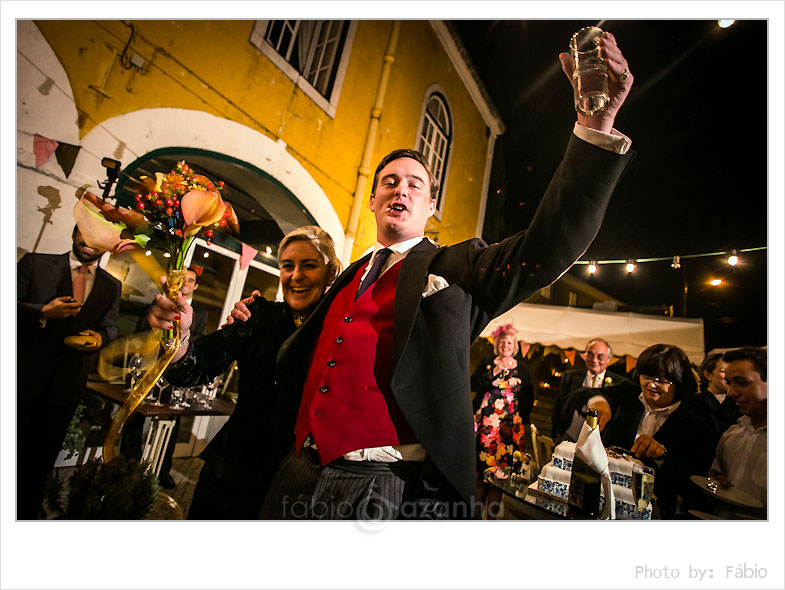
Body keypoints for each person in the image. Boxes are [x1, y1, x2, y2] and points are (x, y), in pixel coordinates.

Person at [231, 35, 634, 519]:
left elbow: (546, 246)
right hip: (294, 469)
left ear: (430, 206)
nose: (401, 188)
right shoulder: (346, 276)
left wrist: (595, 126)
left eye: (415, 183)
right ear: (376, 201)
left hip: (379, 485)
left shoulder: (457, 268)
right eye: (390, 182)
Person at [147, 226, 341, 519]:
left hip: (297, 487)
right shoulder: (258, 315)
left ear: (331, 274)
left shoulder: (341, 332)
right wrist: (180, 335)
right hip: (231, 477)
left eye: (309, 265)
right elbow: (196, 367)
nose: (296, 275)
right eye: (287, 266)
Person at [17, 226, 121, 518]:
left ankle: (25, 511)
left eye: (98, 239)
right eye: (85, 234)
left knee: (40, 460)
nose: (89, 243)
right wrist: (41, 313)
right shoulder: (36, 263)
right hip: (20, 377)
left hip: (65, 387)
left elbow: (110, 327)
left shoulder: (111, 286)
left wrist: (100, 339)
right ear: (74, 233)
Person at [120, 267, 208, 488]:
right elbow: (142, 331)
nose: (186, 283)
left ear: (195, 286)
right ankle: (128, 466)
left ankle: (162, 471)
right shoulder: (160, 304)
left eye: (191, 280)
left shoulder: (201, 312)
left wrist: (181, 342)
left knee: (172, 422)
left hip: (175, 374)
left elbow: (199, 340)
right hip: (150, 367)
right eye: (183, 279)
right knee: (135, 416)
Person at [471, 323, 533, 518]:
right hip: (485, 429)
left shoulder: (522, 368)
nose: (505, 345)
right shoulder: (487, 362)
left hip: (507, 430)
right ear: (496, 343)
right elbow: (473, 384)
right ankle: (473, 518)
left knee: (499, 476)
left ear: (514, 345)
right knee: (481, 474)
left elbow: (528, 398)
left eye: (509, 342)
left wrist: (521, 425)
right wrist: (493, 373)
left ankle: (491, 518)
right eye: (502, 341)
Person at [708, 347, 767, 509]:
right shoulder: (731, 435)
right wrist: (715, 485)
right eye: (729, 383)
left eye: (742, 383)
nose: (731, 392)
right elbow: (712, 480)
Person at [551, 337, 628, 441]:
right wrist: (557, 434)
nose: (594, 360)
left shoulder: (619, 384)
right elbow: (558, 407)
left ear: (608, 359)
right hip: (568, 437)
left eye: (600, 356)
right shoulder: (569, 377)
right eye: (590, 355)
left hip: (599, 442)